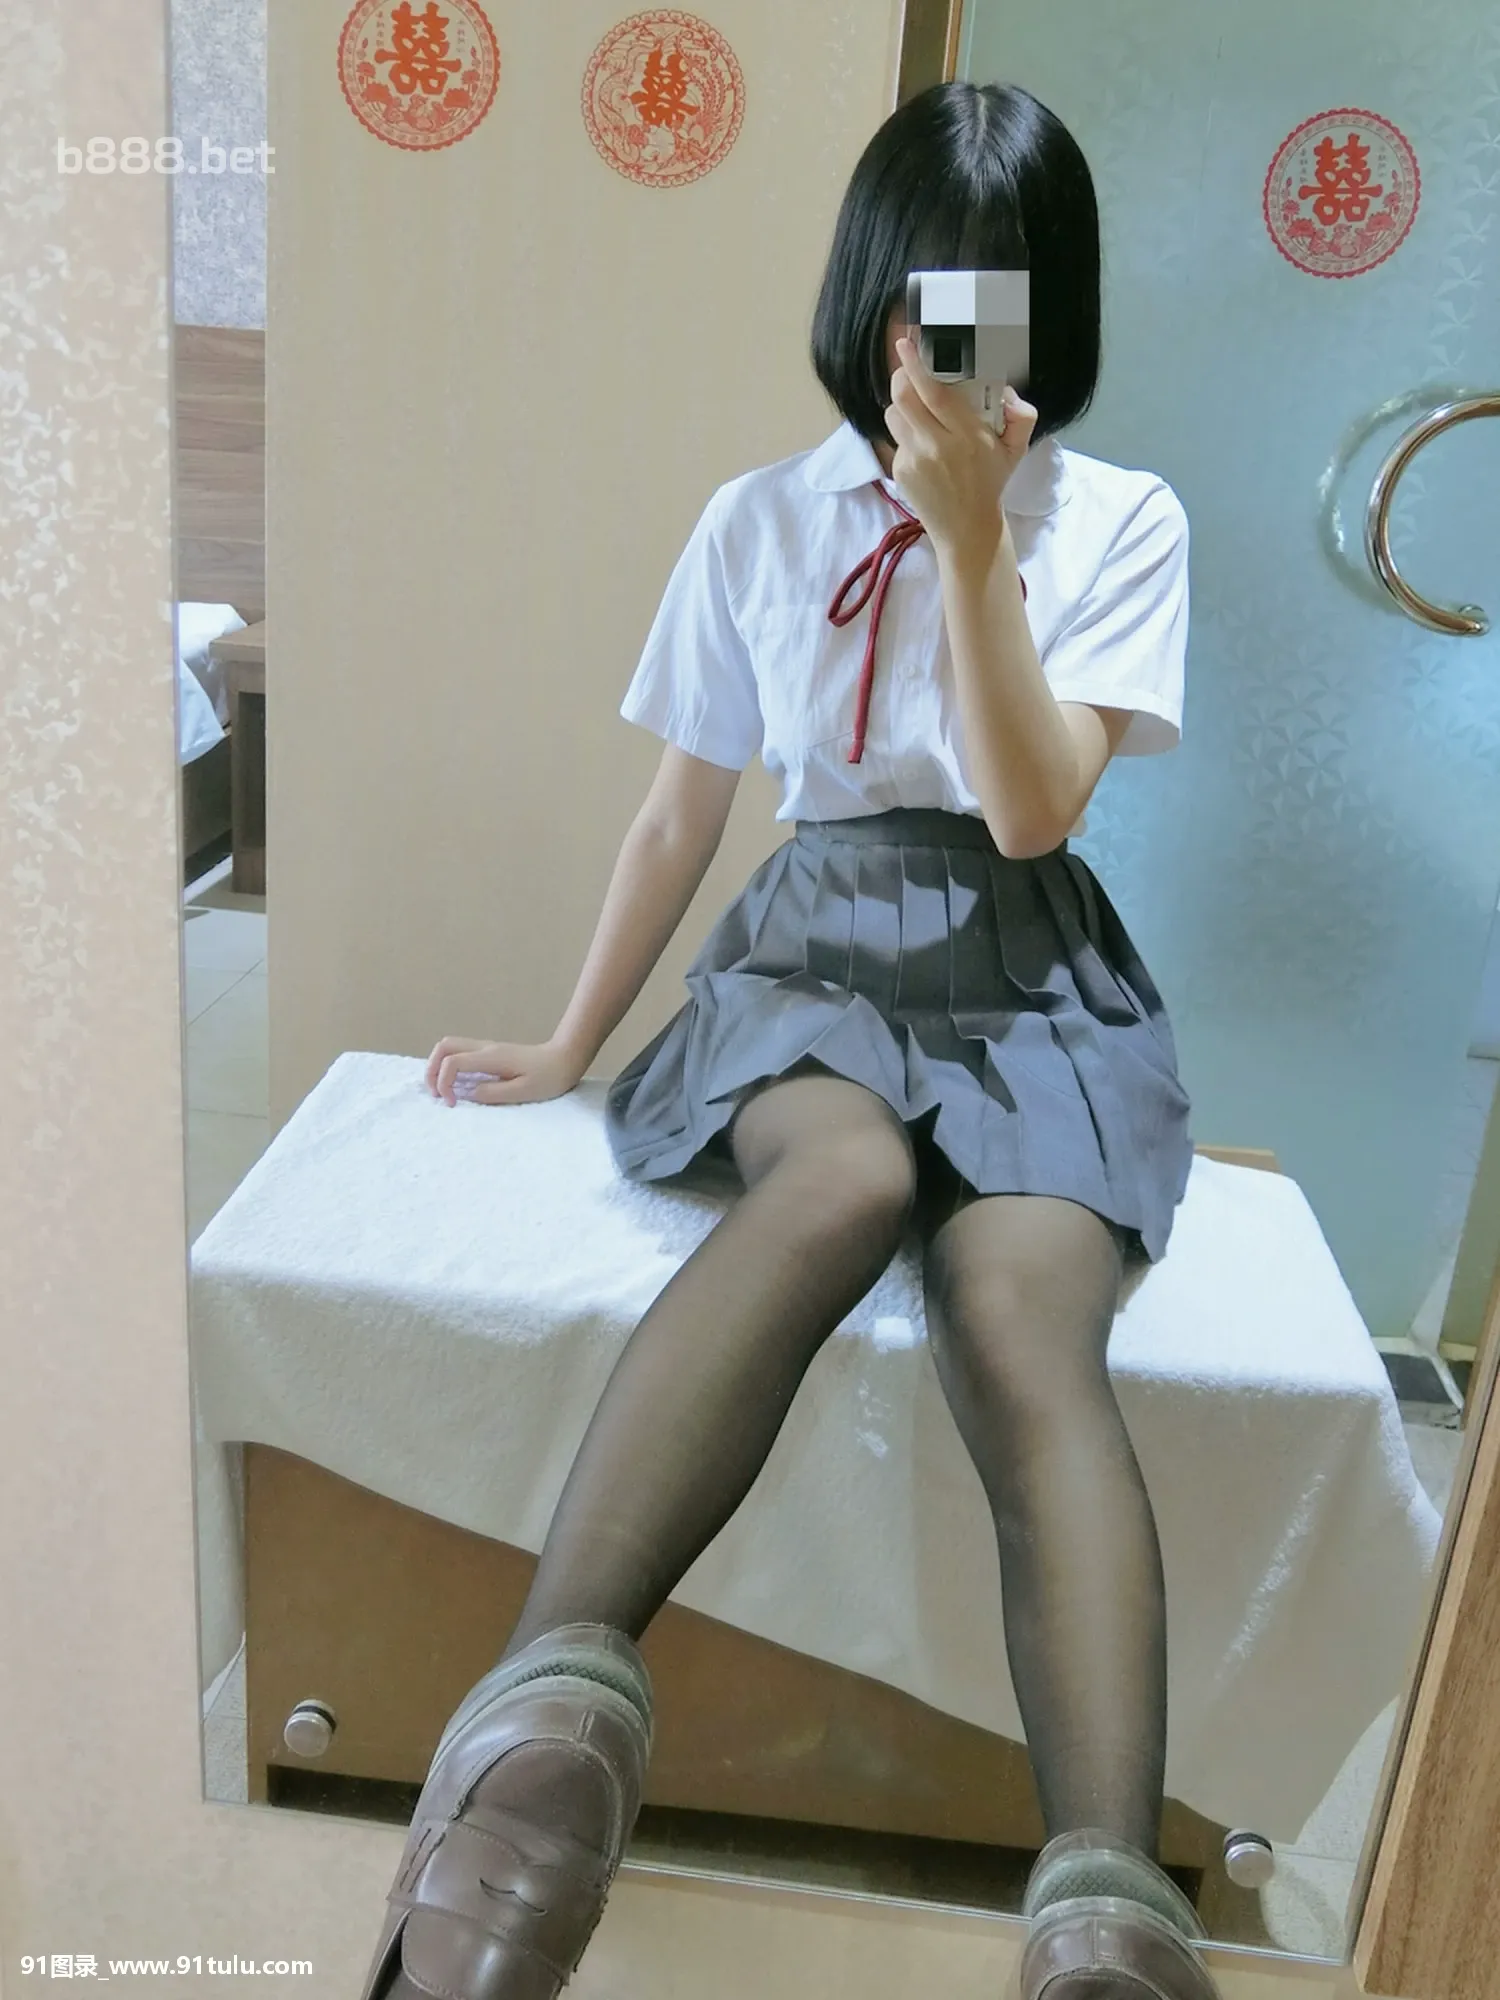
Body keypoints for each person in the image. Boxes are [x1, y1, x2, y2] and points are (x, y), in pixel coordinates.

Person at [361, 78, 1219, 2000]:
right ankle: (531, 1750)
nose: (944, 347)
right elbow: (682, 814)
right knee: (833, 1180)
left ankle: (1106, 1930)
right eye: (921, 301)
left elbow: (1033, 814)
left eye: (992, 305)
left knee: (1023, 1313)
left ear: (1050, 314)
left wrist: (974, 543)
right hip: (817, 947)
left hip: (1028, 968)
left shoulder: (1122, 522)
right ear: (865, 295)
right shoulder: (758, 519)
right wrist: (572, 1039)